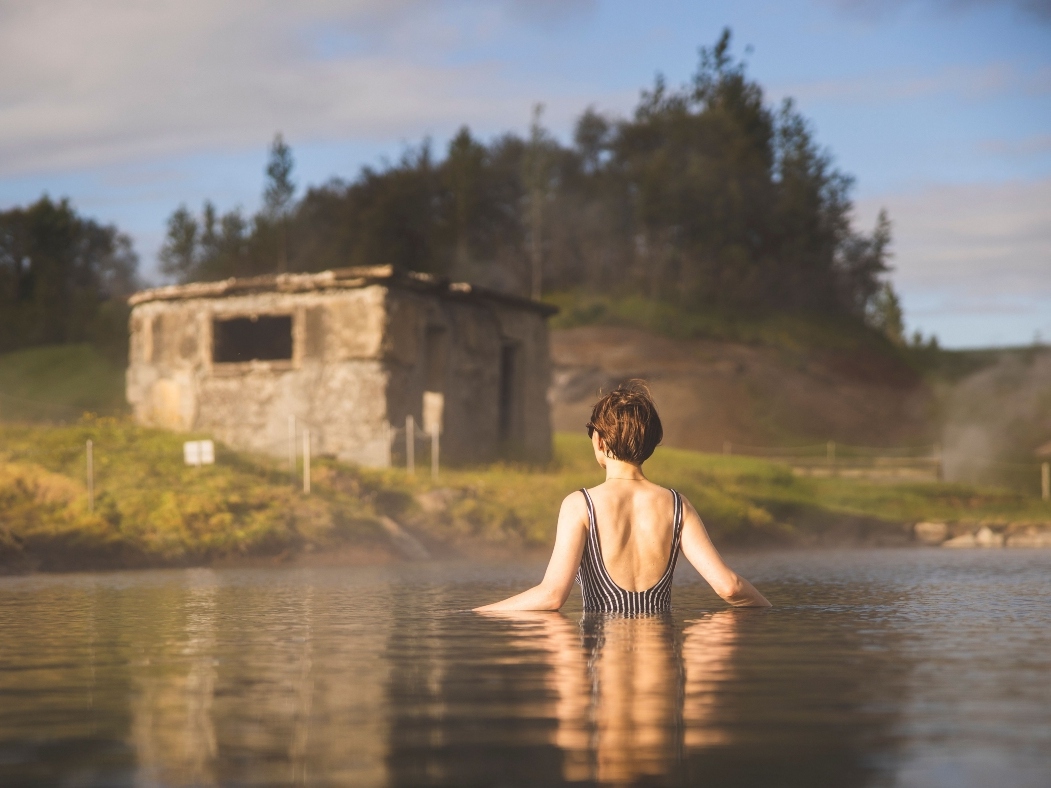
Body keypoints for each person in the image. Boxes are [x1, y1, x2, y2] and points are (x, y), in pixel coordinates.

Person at [475, 381, 770, 612]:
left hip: (604, 674)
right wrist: (772, 612)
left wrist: (474, 613)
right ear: (652, 443)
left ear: (599, 440)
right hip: (660, 680)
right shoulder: (677, 506)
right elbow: (730, 588)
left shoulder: (580, 506)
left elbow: (552, 596)